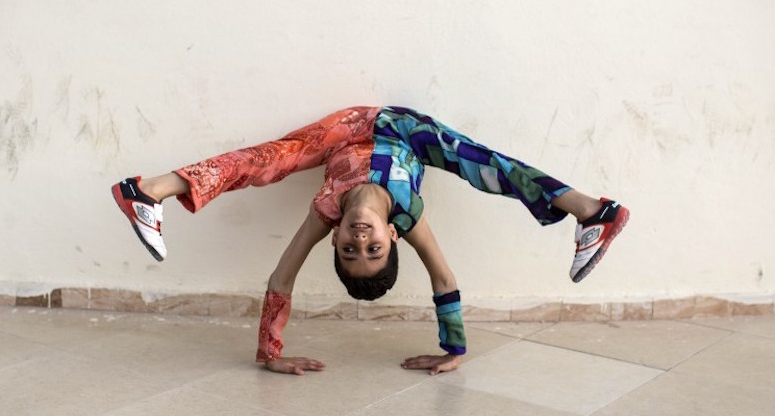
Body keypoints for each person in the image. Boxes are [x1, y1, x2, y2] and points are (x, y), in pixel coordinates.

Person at [111, 106, 629, 375]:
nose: (360, 239)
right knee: (481, 164)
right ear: (394, 239)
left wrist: (270, 354)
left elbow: (281, 278)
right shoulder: (409, 215)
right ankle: (594, 211)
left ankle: (145, 191)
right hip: (406, 133)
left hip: (344, 132)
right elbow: (444, 277)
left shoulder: (326, 212)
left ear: (333, 239)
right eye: (372, 249)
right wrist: (455, 347)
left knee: (266, 162)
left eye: (350, 250)